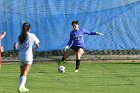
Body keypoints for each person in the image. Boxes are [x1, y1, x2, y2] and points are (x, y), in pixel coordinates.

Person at [14, 22, 40, 92]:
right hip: (28, 56)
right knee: (25, 73)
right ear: (29, 28)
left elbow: (15, 45)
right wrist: (34, 49)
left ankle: (23, 87)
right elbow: (38, 45)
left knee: (22, 72)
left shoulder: (20, 36)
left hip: (20, 56)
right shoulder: (32, 35)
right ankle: (21, 87)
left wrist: (15, 53)